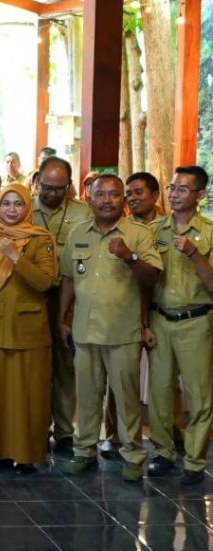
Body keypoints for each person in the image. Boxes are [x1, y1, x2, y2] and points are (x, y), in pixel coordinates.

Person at [58, 174, 161, 482]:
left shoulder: (138, 234)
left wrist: (129, 256)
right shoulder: (77, 232)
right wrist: (61, 318)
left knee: (126, 399)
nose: (106, 200)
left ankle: (132, 455)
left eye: (113, 194)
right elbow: (68, 278)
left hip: (122, 332)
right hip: (85, 330)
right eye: (99, 194)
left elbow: (153, 277)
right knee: (87, 396)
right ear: (89, 199)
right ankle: (84, 451)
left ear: (123, 199)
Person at [0, 184, 58, 474]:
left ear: (27, 208)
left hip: (27, 332)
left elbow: (45, 281)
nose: (11, 209)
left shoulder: (39, 239)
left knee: (28, 397)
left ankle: (26, 456)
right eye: (6, 203)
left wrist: (16, 258)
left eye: (17, 204)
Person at [145, 166, 213, 485]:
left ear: (200, 195)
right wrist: (144, 323)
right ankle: (163, 452)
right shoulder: (155, 229)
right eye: (172, 187)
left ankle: (195, 461)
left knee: (199, 395)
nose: (173, 194)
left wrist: (195, 253)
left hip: (196, 321)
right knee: (160, 393)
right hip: (159, 319)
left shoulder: (209, 232)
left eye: (182, 189)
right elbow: (144, 283)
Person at [32, 156, 92, 454]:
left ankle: (65, 431)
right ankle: (36, 429)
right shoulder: (22, 209)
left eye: (59, 188)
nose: (52, 193)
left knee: (66, 366)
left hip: (70, 298)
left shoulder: (82, 213)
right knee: (37, 368)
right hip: (34, 298)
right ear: (37, 182)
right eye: (47, 187)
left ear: (69, 186)